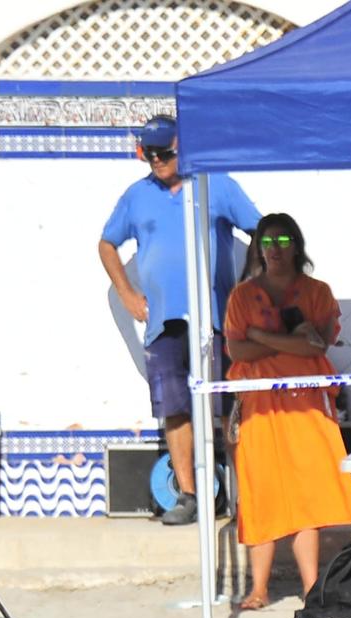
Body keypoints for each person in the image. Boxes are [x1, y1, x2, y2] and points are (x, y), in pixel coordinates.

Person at [98, 114, 260, 524]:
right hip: (164, 324)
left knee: (229, 409)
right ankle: (188, 495)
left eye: (164, 152)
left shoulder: (216, 184)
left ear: (182, 148)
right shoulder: (137, 196)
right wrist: (128, 293)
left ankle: (246, 499)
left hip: (218, 321)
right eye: (148, 153)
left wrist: (245, 287)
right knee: (175, 408)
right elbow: (106, 243)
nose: (156, 160)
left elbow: (261, 229)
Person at [221, 213, 351, 611]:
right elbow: (237, 351)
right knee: (259, 492)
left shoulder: (316, 292)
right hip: (260, 409)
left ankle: (311, 588)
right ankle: (258, 590)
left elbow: (316, 347)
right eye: (267, 241)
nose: (275, 248)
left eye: (283, 240)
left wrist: (262, 336)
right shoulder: (242, 296)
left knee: (308, 495)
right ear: (258, 248)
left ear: (296, 245)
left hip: (306, 404)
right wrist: (289, 342)